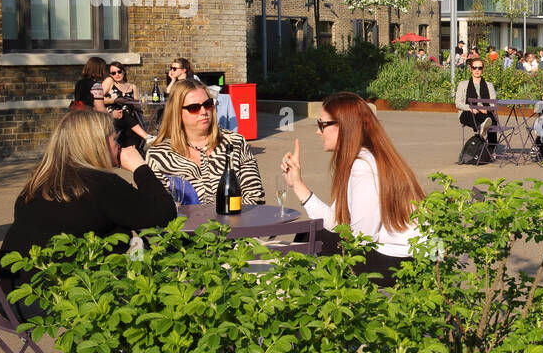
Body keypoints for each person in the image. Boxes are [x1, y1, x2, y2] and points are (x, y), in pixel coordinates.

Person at [0, 109, 176, 321]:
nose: (119, 144)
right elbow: (164, 213)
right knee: (156, 272)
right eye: (114, 139)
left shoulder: (40, 181)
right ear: (96, 144)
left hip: (7, 296)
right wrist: (140, 167)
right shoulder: (100, 185)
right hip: (42, 301)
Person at [279, 93, 424, 287]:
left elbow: (362, 237)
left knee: (311, 239)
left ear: (344, 126)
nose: (318, 132)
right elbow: (337, 222)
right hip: (403, 256)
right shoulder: (366, 157)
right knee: (312, 234)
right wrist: (297, 184)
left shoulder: (363, 166)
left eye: (322, 125)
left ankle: (304, 300)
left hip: (402, 263)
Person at [145, 79, 265, 206]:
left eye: (207, 104)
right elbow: (157, 208)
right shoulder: (158, 155)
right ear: (176, 112)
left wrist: (224, 219)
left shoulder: (235, 142)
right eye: (194, 108)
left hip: (235, 224)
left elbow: (255, 198)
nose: (203, 112)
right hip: (185, 225)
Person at [101, 60, 151, 148]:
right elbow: (99, 98)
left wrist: (138, 102)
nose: (117, 74)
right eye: (113, 73)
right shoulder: (110, 82)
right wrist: (115, 100)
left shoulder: (132, 87)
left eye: (119, 71)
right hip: (113, 116)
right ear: (110, 75)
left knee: (129, 121)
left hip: (130, 117)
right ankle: (146, 137)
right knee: (124, 114)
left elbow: (137, 107)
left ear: (123, 71)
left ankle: (134, 151)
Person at [455, 55, 498, 151]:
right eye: (474, 68)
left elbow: (493, 103)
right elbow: (458, 103)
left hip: (485, 112)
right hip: (468, 111)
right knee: (476, 115)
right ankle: (482, 126)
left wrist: (486, 108)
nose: (477, 70)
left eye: (480, 68)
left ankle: (491, 148)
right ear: (471, 69)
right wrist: (471, 107)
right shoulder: (463, 84)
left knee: (490, 120)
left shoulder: (489, 85)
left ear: (483, 69)